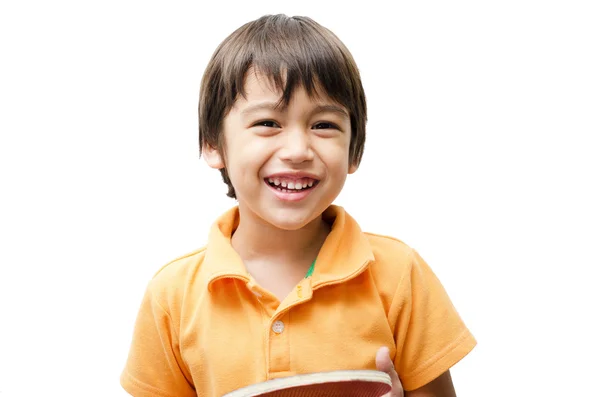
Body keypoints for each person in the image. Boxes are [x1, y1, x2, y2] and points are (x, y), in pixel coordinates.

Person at [121, 14, 476, 397]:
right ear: (212, 143)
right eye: (268, 123)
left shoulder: (400, 274)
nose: (297, 151)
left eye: (323, 125)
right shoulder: (172, 294)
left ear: (354, 150)